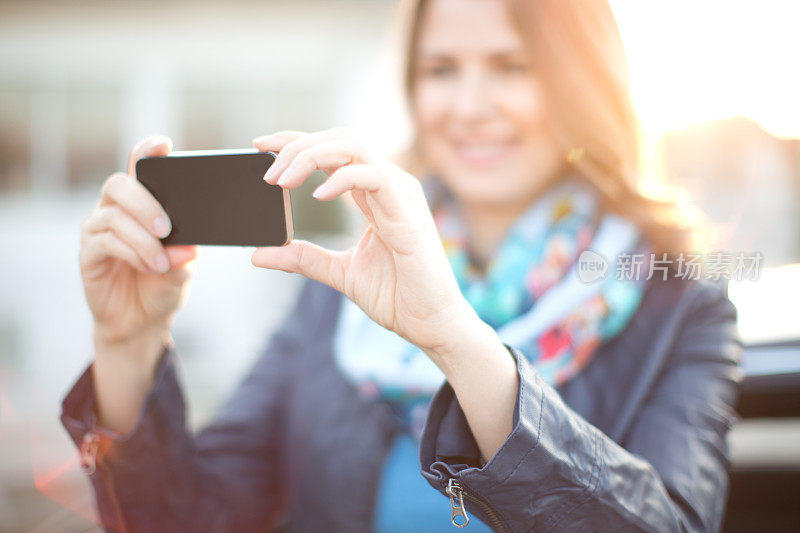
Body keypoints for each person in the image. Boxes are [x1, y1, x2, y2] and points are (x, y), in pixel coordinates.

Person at [61, 0, 741, 531]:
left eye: (514, 65)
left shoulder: (679, 300)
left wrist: (457, 339)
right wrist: (128, 343)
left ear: (582, 80)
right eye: (441, 69)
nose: (471, 107)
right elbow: (191, 517)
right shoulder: (344, 285)